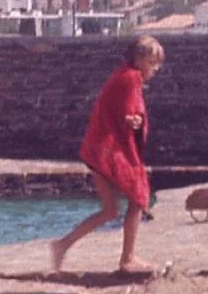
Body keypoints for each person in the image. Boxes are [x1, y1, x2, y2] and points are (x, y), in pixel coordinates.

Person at [52, 35, 163, 274]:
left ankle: (62, 245)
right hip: (108, 151)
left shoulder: (124, 75)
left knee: (111, 210)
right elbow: (126, 111)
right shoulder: (131, 78)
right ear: (139, 59)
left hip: (98, 149)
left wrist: (133, 120)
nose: (156, 68)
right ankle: (127, 259)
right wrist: (133, 120)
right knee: (138, 197)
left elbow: (122, 110)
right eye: (152, 62)